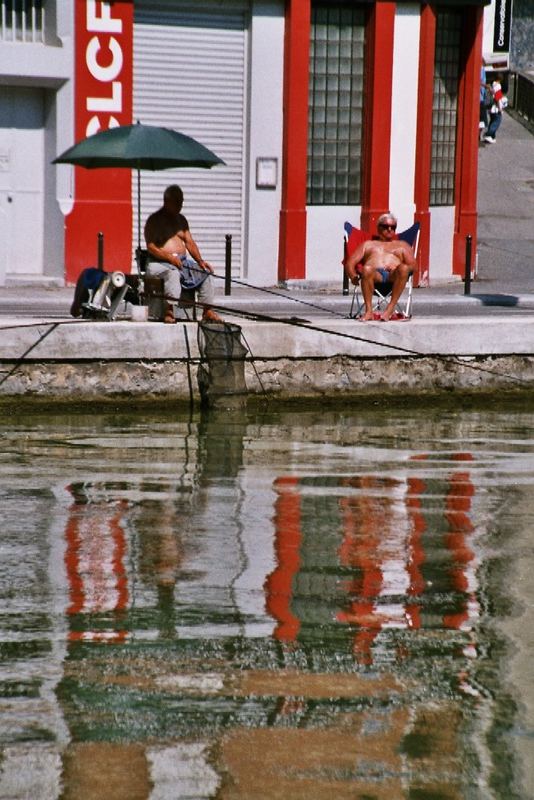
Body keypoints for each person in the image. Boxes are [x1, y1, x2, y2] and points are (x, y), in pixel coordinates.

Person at [144, 184, 222, 323]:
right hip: (159, 263)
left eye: (181, 202)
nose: (180, 206)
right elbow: (151, 247)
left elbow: (189, 242)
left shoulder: (181, 221)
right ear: (167, 201)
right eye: (177, 202)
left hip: (181, 262)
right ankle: (169, 311)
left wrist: (200, 261)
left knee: (206, 272)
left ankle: (207, 310)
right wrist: (169, 258)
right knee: (172, 274)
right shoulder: (154, 221)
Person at [344, 213, 416, 321]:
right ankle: (369, 312)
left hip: (394, 277)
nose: (389, 229)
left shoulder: (402, 245)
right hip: (373, 277)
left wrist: (398, 266)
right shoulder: (368, 245)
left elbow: (413, 266)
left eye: (393, 227)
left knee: (404, 268)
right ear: (378, 228)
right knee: (366, 269)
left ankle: (389, 309)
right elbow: (350, 263)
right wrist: (353, 276)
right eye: (386, 226)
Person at [484, 73, 507, 144]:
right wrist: (500, 107)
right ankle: (488, 134)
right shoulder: (498, 86)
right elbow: (497, 97)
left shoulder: (492, 85)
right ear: (501, 79)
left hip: (491, 108)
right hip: (496, 108)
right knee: (497, 122)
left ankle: (492, 137)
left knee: (492, 121)